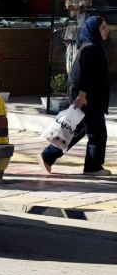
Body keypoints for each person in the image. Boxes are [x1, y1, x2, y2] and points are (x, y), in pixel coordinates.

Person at [41, 15, 111, 176]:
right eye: (103, 28)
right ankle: (93, 167)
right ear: (94, 30)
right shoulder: (90, 48)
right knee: (98, 134)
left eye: (106, 27)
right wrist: (82, 94)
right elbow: (82, 74)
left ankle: (48, 156)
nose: (107, 30)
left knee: (76, 130)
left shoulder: (91, 46)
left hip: (90, 98)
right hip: (88, 99)